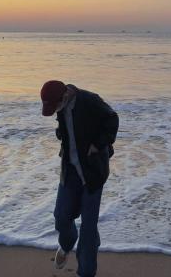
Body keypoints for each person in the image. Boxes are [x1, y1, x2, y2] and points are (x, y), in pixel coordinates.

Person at [40, 80, 119, 277]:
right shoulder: (61, 105)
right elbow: (68, 127)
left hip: (93, 173)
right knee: (61, 216)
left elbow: (112, 119)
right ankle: (66, 245)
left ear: (65, 97)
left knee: (88, 229)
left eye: (55, 106)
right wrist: (62, 134)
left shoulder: (90, 101)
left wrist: (98, 144)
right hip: (71, 170)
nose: (55, 110)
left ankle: (86, 272)